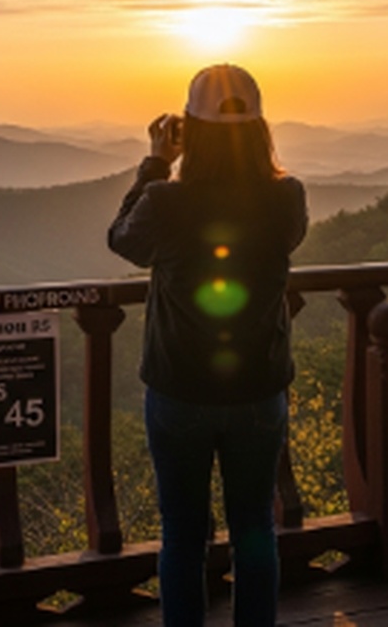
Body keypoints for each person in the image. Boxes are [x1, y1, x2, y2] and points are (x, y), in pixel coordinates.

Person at [108, 64, 307, 627]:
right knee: (255, 527)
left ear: (188, 131)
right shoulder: (286, 198)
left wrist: (155, 163)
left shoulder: (167, 202)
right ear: (261, 129)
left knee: (182, 534)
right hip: (259, 389)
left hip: (179, 389)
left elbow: (122, 241)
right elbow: (288, 238)